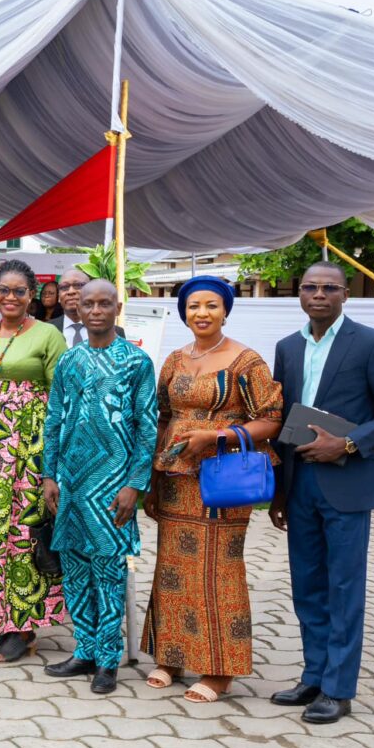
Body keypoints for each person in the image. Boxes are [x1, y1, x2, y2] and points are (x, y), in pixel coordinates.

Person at [269, 262, 374, 724]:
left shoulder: (372, 344)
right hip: (300, 483)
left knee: (344, 586)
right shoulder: (288, 347)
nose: (318, 295)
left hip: (347, 482)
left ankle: (339, 687)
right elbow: (283, 418)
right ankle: (314, 674)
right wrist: (278, 491)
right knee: (307, 586)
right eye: (310, 287)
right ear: (300, 294)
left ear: (345, 294)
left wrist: (347, 443)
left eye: (329, 288)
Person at [142, 275, 283, 702]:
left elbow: (272, 418)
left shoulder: (246, 361)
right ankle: (170, 655)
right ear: (183, 312)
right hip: (175, 480)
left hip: (223, 482)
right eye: (193, 306)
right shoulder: (173, 360)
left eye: (211, 306)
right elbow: (163, 417)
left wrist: (217, 438)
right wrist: (151, 478)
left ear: (225, 310)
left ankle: (220, 669)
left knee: (217, 572)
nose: (202, 313)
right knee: (171, 568)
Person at [41, 280, 158, 694]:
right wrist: (49, 474)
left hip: (112, 485)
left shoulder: (136, 362)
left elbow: (147, 427)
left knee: (107, 572)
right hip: (70, 484)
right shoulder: (70, 360)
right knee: (74, 570)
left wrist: (134, 484)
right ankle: (84, 651)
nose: (94, 310)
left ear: (117, 307)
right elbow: (54, 418)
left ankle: (108, 661)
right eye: (87, 303)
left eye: (103, 303)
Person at [0, 260, 67, 663]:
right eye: (3, 290)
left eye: (20, 291)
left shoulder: (48, 334)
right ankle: (2, 620)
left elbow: (61, 398)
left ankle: (25, 628)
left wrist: (49, 462)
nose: (10, 297)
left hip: (31, 445)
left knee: (24, 533)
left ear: (32, 296)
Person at [50, 268, 125, 345]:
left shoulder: (117, 332)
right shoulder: (47, 330)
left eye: (78, 285)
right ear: (58, 296)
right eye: (64, 287)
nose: (71, 291)